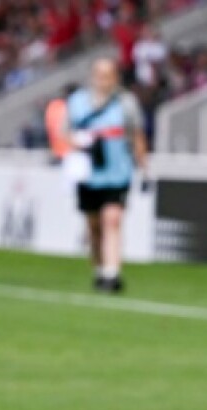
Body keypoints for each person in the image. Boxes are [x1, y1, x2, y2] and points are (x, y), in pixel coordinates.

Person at [66, 58, 149, 293]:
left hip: (118, 172)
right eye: (99, 74)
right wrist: (79, 142)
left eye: (108, 75)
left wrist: (144, 166)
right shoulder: (77, 102)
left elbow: (137, 135)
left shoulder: (126, 103)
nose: (103, 80)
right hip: (89, 174)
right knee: (94, 224)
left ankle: (112, 273)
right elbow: (65, 134)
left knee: (112, 219)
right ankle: (100, 267)